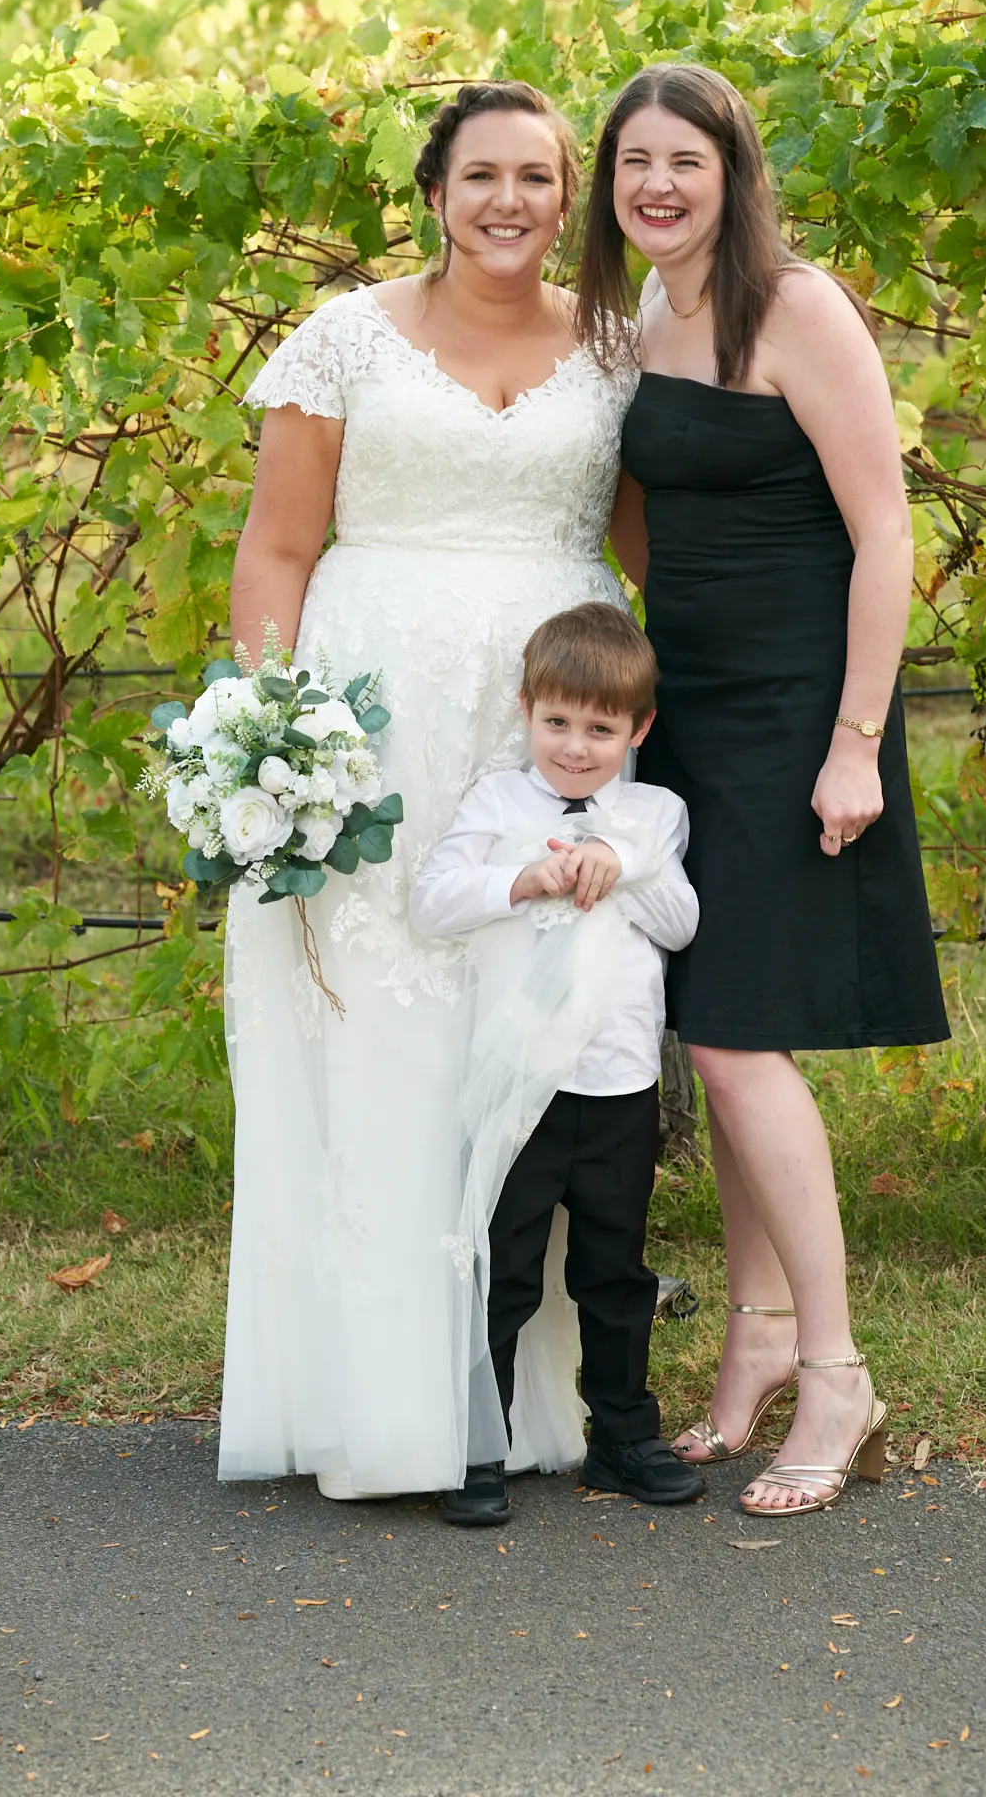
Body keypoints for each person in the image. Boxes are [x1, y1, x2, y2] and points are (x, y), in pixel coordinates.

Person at [218, 83, 638, 1499]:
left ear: (565, 193)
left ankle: (526, 1399)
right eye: (481, 176)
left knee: (535, 1029)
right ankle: (380, 1402)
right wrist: (278, 735)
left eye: (536, 176)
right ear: (435, 189)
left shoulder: (618, 346)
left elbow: (652, 542)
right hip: (376, 723)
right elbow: (277, 553)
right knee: (384, 1038)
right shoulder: (344, 340)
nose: (508, 201)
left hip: (550, 724)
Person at [578, 63, 950, 1518]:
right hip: (686, 710)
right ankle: (758, 1349)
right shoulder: (636, 325)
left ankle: (841, 1374)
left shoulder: (800, 307)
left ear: (733, 174)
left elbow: (886, 533)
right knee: (716, 1031)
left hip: (803, 713)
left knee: (739, 1048)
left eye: (684, 159)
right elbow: (639, 532)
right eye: (631, 164)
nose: (655, 184)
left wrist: (854, 738)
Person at [408, 604, 703, 1524]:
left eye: (601, 729)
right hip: (520, 1085)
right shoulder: (499, 804)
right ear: (526, 710)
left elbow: (682, 923)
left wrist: (622, 867)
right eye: (557, 723)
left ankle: (622, 1437)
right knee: (506, 1265)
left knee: (613, 1271)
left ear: (637, 730)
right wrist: (520, 880)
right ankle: (476, 1448)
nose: (576, 748)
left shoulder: (653, 815)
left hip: (617, 1083)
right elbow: (432, 903)